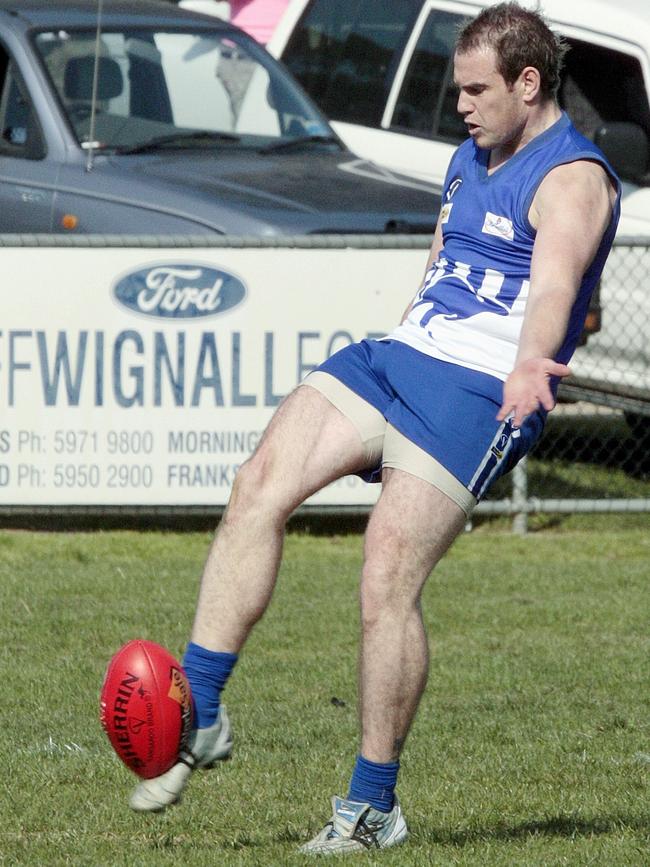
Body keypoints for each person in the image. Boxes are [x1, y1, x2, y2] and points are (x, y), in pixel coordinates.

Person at [128, 2, 620, 855]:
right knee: (257, 487)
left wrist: (537, 358)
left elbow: (552, 287)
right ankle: (199, 712)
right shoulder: (470, 158)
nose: (459, 105)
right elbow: (440, 268)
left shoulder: (570, 177)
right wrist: (398, 352)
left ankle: (369, 808)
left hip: (478, 390)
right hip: (401, 357)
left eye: (475, 89)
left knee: (385, 574)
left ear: (529, 82)